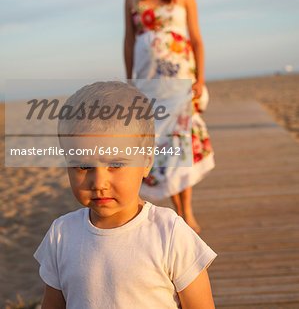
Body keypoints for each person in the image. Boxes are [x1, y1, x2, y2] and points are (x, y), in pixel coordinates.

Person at [34, 81, 216, 308]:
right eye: (82, 166)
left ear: (146, 162)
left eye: (116, 164)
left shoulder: (169, 234)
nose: (99, 183)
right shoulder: (61, 236)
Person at [124, 0, 215, 233]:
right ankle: (177, 211)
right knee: (160, 146)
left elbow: (197, 39)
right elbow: (129, 40)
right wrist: (130, 81)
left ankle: (185, 210)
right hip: (148, 81)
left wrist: (200, 78)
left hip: (180, 80)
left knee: (181, 143)